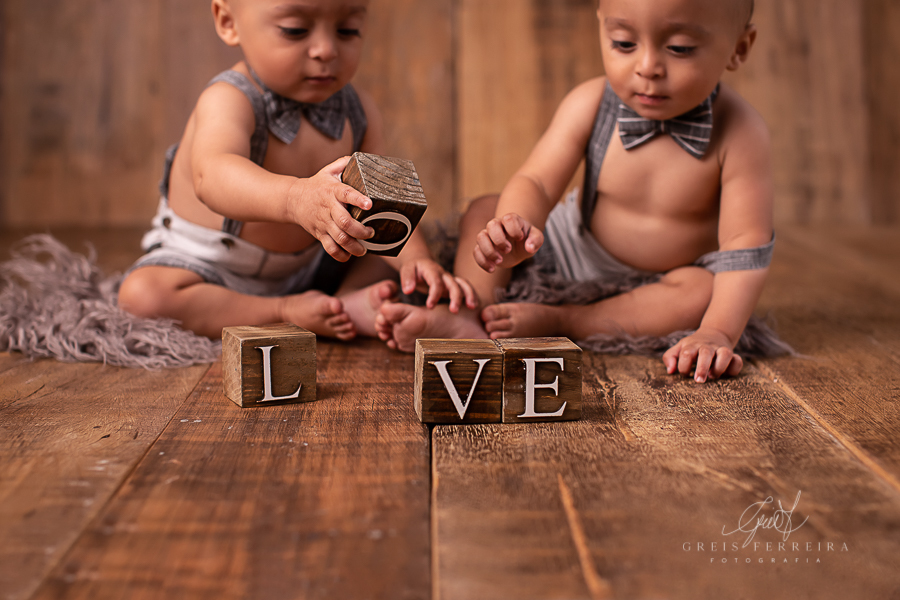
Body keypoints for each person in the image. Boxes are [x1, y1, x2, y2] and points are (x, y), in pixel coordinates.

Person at [376, 0, 773, 383]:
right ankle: (472, 311)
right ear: (602, 26)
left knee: (702, 291)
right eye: (623, 43)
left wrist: (718, 332)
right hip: (569, 248)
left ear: (739, 48)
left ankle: (564, 321)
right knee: (485, 208)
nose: (648, 67)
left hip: (661, 281)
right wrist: (515, 224)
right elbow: (537, 181)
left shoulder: (741, 133)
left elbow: (744, 244)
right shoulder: (592, 103)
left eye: (680, 49)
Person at [118, 0, 475, 340]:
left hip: (315, 266)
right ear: (229, 22)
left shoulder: (359, 111)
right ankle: (282, 310)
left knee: (385, 246)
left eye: (347, 30)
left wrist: (417, 261)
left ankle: (349, 302)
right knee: (143, 297)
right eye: (295, 30)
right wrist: (295, 198)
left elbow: (381, 203)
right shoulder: (231, 98)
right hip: (213, 272)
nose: (326, 50)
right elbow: (211, 176)